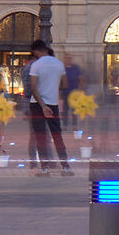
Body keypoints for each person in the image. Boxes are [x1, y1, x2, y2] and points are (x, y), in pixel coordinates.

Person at [25, 40, 70, 173]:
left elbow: (33, 88)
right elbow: (65, 85)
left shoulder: (36, 65)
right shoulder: (59, 64)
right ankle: (65, 166)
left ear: (36, 51)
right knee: (57, 136)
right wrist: (53, 87)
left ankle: (44, 167)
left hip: (37, 104)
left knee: (41, 136)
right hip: (53, 103)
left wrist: (43, 105)